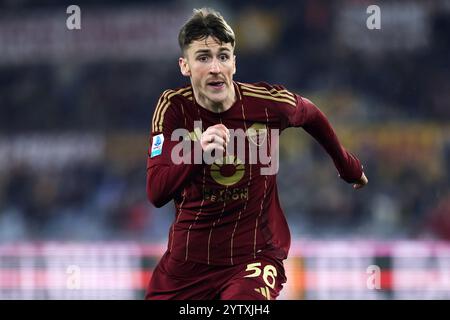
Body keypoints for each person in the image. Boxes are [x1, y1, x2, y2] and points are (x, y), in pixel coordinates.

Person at [145, 7, 368, 300]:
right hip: (188, 265)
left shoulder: (267, 104)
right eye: (203, 57)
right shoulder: (173, 108)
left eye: (223, 56)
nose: (215, 67)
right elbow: (156, 192)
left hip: (254, 258)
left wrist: (347, 165)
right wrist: (197, 152)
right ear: (184, 66)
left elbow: (311, 114)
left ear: (234, 64)